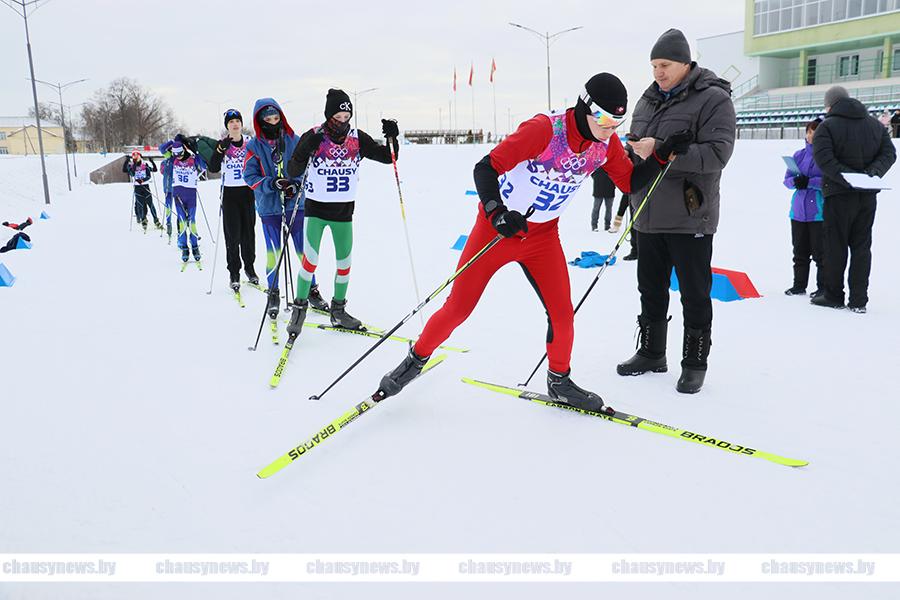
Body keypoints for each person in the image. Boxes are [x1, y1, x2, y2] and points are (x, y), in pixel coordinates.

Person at [377, 73, 691, 411]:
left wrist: (663, 155)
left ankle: (559, 380)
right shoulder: (544, 130)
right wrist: (497, 212)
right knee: (459, 307)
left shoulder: (606, 144)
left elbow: (629, 183)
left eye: (618, 121)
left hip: (543, 237)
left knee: (562, 314)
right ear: (584, 106)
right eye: (603, 117)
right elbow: (485, 168)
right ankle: (416, 358)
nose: (609, 127)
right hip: (496, 232)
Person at [616, 28, 736, 395]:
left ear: (685, 63)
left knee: (694, 293)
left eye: (665, 64)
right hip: (648, 212)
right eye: (654, 65)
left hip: (689, 214)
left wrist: (664, 150)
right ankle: (652, 352)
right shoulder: (647, 100)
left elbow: (718, 154)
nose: (658, 72)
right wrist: (631, 150)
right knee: (650, 289)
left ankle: (694, 363)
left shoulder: (713, 100)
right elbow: (638, 145)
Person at [284, 89, 400, 335]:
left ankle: (338, 310)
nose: (343, 121)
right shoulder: (314, 135)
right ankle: (299, 309)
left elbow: (388, 158)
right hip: (315, 210)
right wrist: (306, 148)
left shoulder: (357, 138)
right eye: (338, 115)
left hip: (344, 212)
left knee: (344, 263)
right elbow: (293, 169)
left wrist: (392, 138)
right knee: (310, 262)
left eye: (347, 116)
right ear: (329, 115)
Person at [810, 86, 896, 313]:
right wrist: (871, 174)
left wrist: (848, 178)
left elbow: (824, 160)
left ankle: (833, 295)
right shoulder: (875, 125)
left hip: (838, 195)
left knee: (834, 245)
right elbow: (889, 154)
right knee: (861, 246)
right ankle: (859, 300)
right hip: (866, 196)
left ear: (830, 105)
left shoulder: (826, 127)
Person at [243, 99, 328, 320]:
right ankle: (273, 293)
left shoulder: (293, 140)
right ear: (260, 122)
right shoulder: (253, 146)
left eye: (276, 118)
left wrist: (295, 184)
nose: (273, 122)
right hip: (269, 207)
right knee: (274, 252)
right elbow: (249, 176)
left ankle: (312, 290)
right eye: (267, 120)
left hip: (295, 204)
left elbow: (306, 167)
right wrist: (272, 184)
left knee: (303, 251)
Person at [208, 109, 259, 291]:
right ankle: (234, 272)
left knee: (248, 233)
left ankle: (250, 268)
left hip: (247, 192)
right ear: (227, 126)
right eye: (231, 122)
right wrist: (220, 151)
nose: (235, 124)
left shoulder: (249, 142)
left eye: (237, 120)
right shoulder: (223, 144)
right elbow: (213, 167)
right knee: (233, 235)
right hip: (230, 194)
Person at [783, 119, 825, 298]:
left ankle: (823, 288)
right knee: (799, 252)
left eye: (815, 132)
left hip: (818, 213)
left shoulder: (827, 156)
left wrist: (811, 182)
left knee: (820, 254)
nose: (811, 135)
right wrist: (795, 181)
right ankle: (799, 285)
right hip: (798, 212)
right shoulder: (798, 155)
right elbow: (787, 180)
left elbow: (831, 181)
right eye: (809, 131)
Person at [160, 136, 207, 263]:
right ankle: (184, 248)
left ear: (184, 150)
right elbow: (161, 149)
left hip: (190, 194)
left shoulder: (193, 158)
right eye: (176, 154)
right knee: (182, 221)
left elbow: (204, 166)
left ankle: (195, 247)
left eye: (180, 154)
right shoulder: (172, 158)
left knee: (191, 221)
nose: (178, 157)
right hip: (178, 194)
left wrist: (196, 151)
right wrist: (173, 142)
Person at [122, 151, 161, 232]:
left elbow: (152, 172)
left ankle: (156, 220)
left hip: (145, 186)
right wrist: (126, 161)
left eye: (137, 156)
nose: (136, 158)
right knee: (141, 205)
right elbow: (127, 171)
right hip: (137, 188)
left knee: (151, 204)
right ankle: (143, 219)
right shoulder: (132, 165)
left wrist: (152, 162)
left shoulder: (144, 165)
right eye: (134, 157)